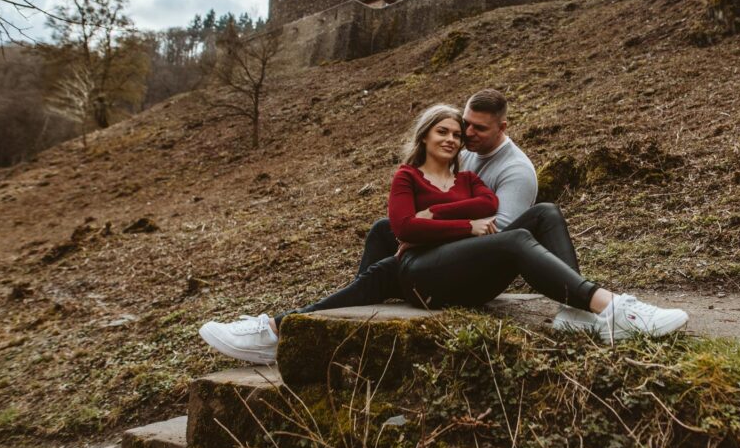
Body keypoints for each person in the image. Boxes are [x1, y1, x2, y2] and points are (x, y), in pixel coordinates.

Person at [199, 101, 688, 364]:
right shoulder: (406, 177)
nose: (454, 140)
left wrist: (435, 221)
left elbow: (489, 208)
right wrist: (447, 223)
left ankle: (579, 314)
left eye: (459, 135)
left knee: (542, 214)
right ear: (426, 138)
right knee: (376, 274)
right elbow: (401, 226)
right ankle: (614, 309)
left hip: (450, 272)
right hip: (419, 273)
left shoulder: (471, 176)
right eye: (445, 133)